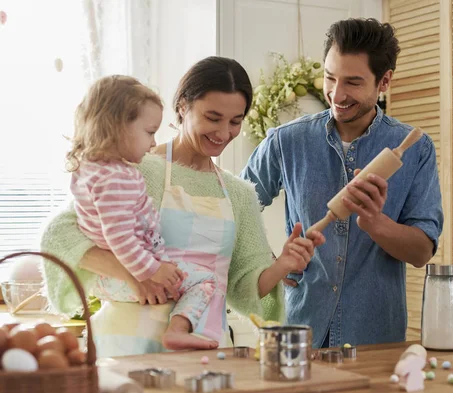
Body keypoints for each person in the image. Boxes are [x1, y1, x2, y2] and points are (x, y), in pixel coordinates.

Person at [41, 57, 324, 356]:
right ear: (182, 107)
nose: (224, 132)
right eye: (213, 117)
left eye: (235, 121)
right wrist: (137, 275)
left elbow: (243, 288)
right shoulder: (134, 169)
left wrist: (284, 264)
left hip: (203, 349)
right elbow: (59, 237)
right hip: (126, 345)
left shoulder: (240, 195)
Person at [241, 18, 443, 348]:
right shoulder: (286, 141)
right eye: (330, 77)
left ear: (384, 82)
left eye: (352, 82)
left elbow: (422, 252)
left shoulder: (416, 149)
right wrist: (272, 264)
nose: (337, 93)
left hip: (376, 341)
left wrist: (375, 222)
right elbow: (236, 208)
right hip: (301, 337)